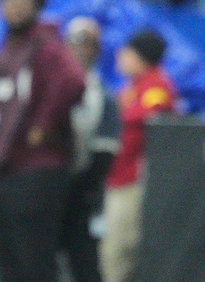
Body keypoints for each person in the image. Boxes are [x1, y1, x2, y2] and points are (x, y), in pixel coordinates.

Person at [0, 0, 86, 282]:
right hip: (11, 167)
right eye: (10, 0)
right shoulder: (11, 46)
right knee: (9, 259)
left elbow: (73, 81)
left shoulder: (46, 45)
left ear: (37, 6)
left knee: (32, 257)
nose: (15, 8)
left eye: (24, 2)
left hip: (38, 168)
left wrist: (42, 123)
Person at [101, 29, 177, 282]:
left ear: (141, 57)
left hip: (134, 182)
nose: (120, 56)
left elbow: (143, 115)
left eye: (127, 52)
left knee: (119, 252)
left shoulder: (156, 87)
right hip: (118, 178)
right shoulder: (131, 88)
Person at [62, 17, 119, 282]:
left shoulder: (101, 95)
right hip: (40, 186)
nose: (81, 50)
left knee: (83, 259)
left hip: (79, 191)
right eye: (76, 42)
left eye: (90, 44)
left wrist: (82, 189)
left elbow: (104, 153)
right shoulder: (45, 85)